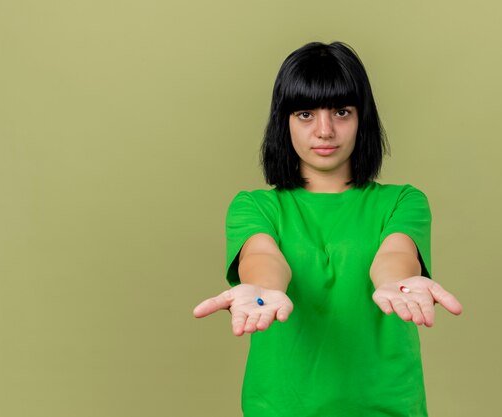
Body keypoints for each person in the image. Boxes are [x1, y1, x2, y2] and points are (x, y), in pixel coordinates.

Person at [193, 41, 463, 417]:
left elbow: (396, 255)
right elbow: (262, 257)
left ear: (361, 118)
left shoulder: (402, 201)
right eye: (305, 114)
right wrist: (263, 290)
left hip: (387, 407)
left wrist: (395, 282)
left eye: (341, 111)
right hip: (281, 408)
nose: (325, 130)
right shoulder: (254, 206)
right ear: (283, 121)